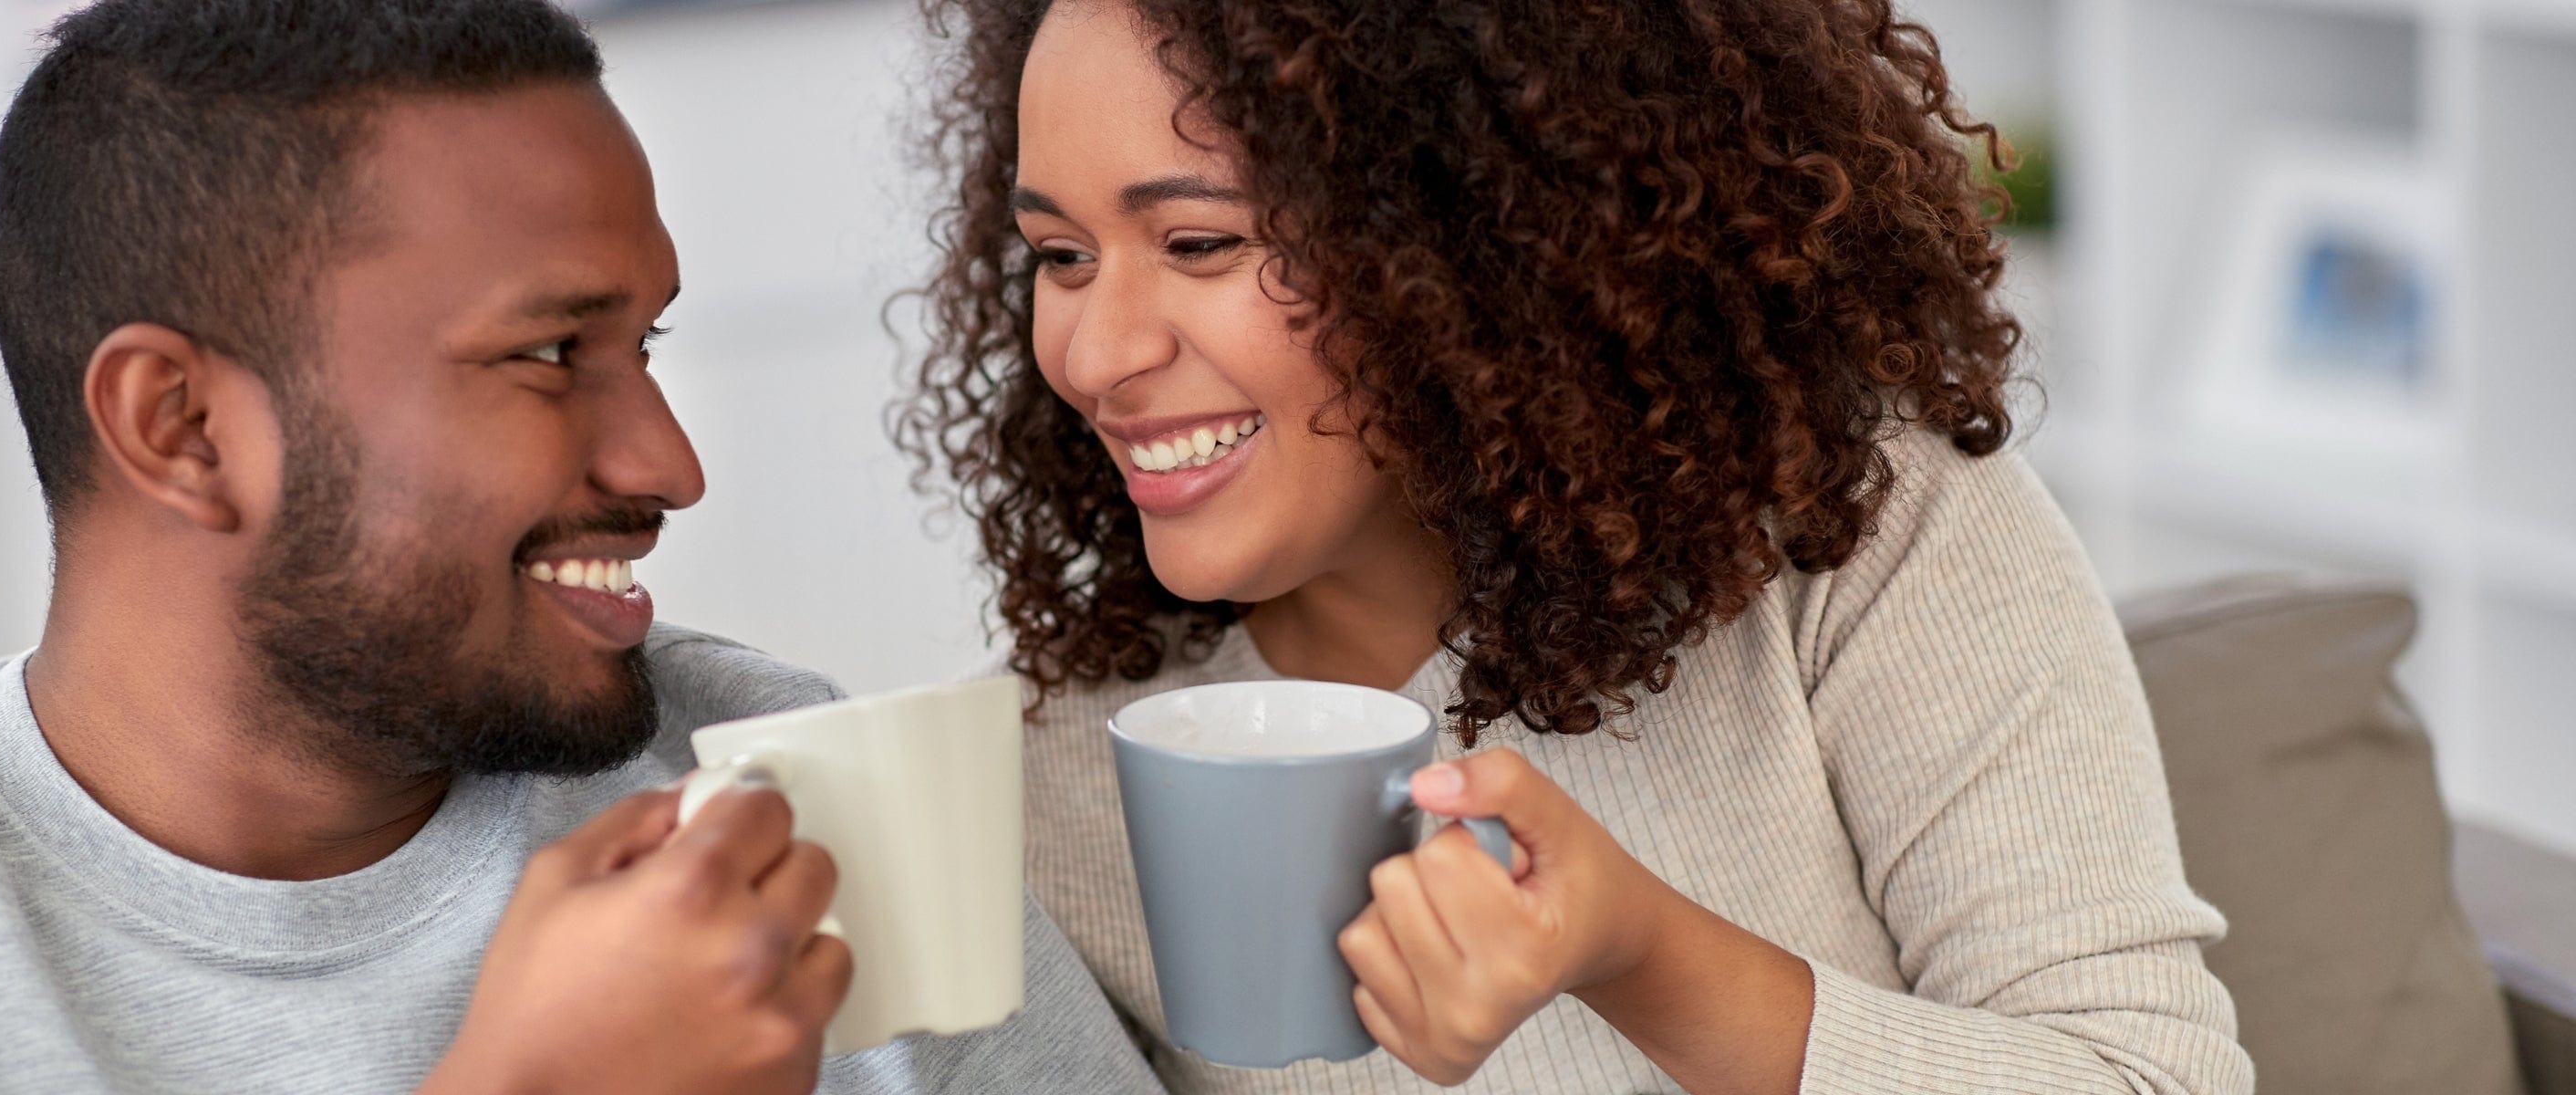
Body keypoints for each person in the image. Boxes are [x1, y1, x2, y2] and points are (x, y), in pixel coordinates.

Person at [0, 2, 1160, 1093]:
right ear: (179, 426)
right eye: (552, 352)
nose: (668, 465)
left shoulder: (781, 785)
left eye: (646, 344)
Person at [900, 0, 2255, 1092]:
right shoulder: (1051, 773)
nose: (1095, 350)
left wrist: (1639, 954)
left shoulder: (1858, 530)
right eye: (1060, 257)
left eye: (1198, 241)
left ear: (1472, 231)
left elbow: (2140, 1075)